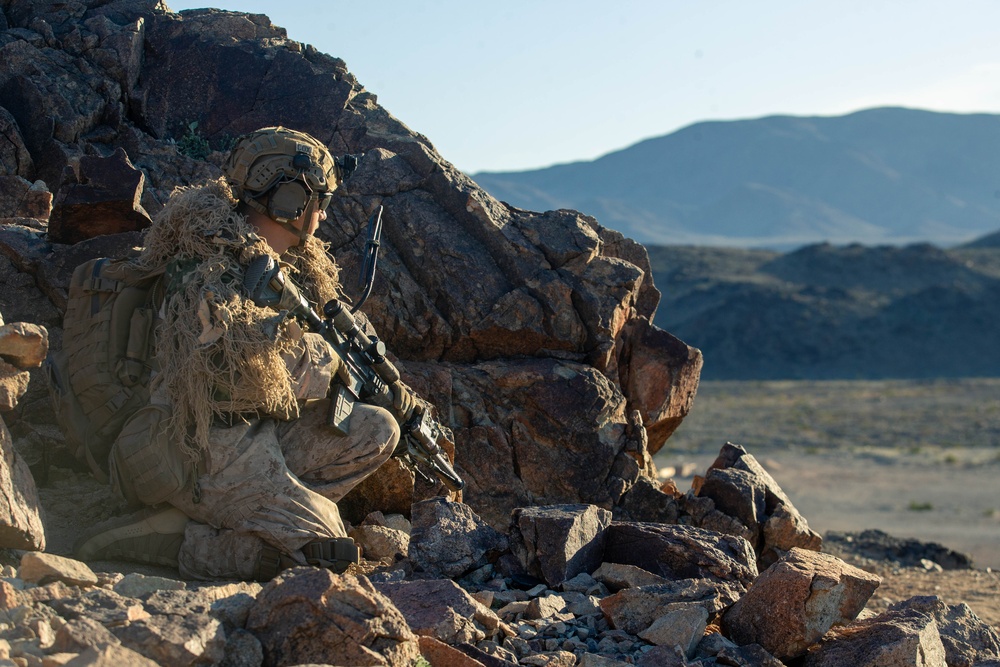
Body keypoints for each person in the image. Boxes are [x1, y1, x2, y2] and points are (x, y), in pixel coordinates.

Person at [74, 127, 419, 580]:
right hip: (197, 451)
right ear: (291, 200)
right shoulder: (209, 269)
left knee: (376, 428)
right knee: (328, 552)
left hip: (254, 435)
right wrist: (325, 358)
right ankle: (186, 541)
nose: (323, 214)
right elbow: (236, 383)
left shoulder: (285, 267)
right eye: (320, 200)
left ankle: (246, 515)